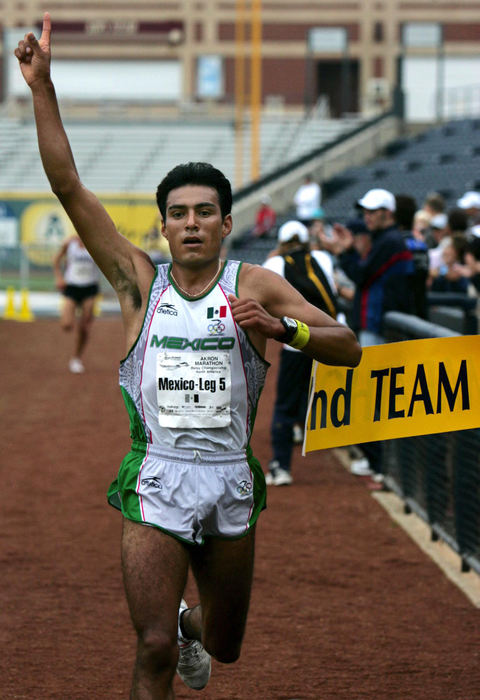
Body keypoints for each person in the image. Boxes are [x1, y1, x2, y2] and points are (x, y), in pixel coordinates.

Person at [15, 15, 362, 699]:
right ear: (164, 224)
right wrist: (42, 89)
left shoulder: (254, 284)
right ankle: (165, 632)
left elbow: (346, 346)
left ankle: (189, 627)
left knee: (225, 644)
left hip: (230, 477)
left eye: (206, 210)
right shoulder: (138, 282)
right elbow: (69, 188)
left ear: (228, 222)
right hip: (157, 478)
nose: (193, 222)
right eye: (179, 212)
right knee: (150, 649)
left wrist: (283, 332)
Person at [331, 188, 414, 480]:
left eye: (371, 211)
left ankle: (380, 465)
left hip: (378, 327)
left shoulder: (389, 241)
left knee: (374, 397)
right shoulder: (386, 240)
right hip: (376, 325)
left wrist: (344, 252)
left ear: (387, 213)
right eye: (364, 211)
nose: (366, 216)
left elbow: (361, 275)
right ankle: (380, 463)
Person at [262, 220, 338, 486]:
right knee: (343, 399)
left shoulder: (275, 264)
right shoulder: (322, 257)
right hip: (331, 340)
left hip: (296, 342)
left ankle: (281, 466)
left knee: (285, 403)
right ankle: (374, 463)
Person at [52, 234, 100, 373]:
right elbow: (56, 259)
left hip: (90, 288)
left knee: (84, 327)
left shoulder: (94, 242)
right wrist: (59, 278)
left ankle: (76, 358)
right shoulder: (70, 243)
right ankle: (73, 321)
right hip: (72, 286)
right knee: (66, 325)